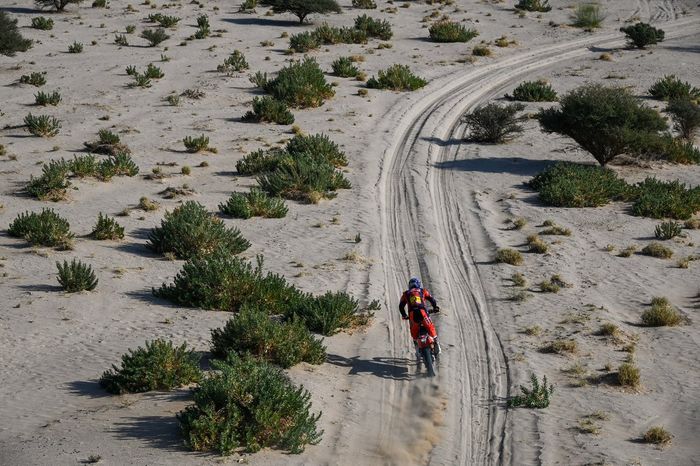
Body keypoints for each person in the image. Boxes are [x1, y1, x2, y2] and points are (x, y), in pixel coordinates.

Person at [399, 277, 441, 357]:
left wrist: (404, 315)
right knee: (430, 326)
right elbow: (431, 299)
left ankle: (417, 349)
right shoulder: (423, 291)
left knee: (414, 333)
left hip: (412, 314)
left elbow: (401, 306)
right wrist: (435, 307)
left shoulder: (406, 293)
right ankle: (436, 342)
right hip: (423, 312)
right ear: (418, 284)